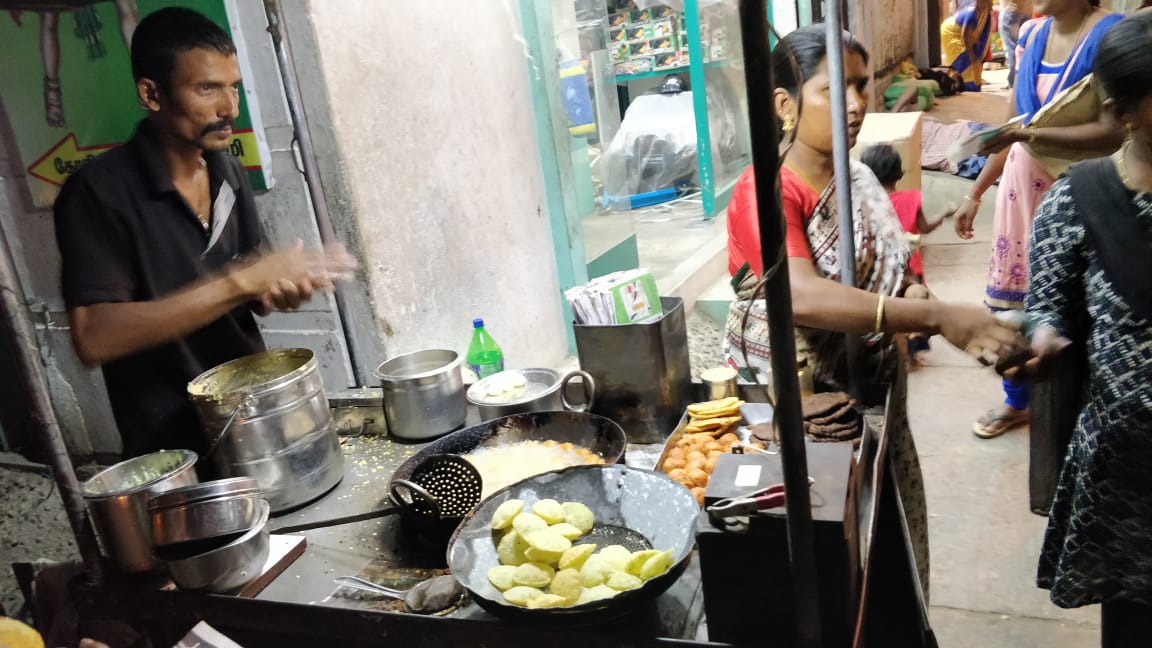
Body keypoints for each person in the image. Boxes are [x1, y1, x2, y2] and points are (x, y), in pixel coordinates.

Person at [724, 24, 1020, 600]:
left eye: (862, 86)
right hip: (806, 404)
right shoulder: (765, 191)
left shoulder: (855, 175)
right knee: (829, 559)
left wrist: (934, 310)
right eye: (834, 90)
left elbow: (894, 272)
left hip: (879, 387)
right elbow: (800, 295)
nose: (857, 104)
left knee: (888, 535)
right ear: (784, 104)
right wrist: (936, 319)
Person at [53, 7, 355, 458]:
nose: (229, 108)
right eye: (207, 88)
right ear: (152, 93)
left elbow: (255, 290)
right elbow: (95, 336)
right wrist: (239, 282)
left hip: (251, 417)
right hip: (174, 444)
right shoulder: (98, 193)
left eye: (232, 87)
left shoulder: (226, 170)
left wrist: (282, 288)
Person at [1018, 13, 1152, 645]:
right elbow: (1047, 304)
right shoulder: (1079, 198)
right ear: (1124, 110)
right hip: (1124, 470)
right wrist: (1041, 337)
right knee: (1131, 614)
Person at [953, 0, 1123, 439]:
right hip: (1019, 192)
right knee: (1014, 305)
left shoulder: (1109, 36)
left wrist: (1024, 134)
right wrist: (974, 192)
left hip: (1077, 193)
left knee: (1075, 304)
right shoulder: (1030, 35)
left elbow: (1112, 129)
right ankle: (1018, 401)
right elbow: (1012, 128)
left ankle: (1078, 406)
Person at [860, 143, 954, 364]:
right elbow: (925, 228)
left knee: (888, 309)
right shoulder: (913, 198)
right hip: (912, 268)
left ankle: (897, 353)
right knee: (916, 307)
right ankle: (912, 351)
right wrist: (944, 214)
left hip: (880, 268)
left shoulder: (865, 204)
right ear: (898, 173)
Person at [941, 0, 994, 92]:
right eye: (988, 2)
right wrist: (972, 56)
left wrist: (975, 55)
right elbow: (965, 36)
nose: (992, 4)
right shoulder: (971, 14)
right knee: (963, 56)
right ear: (979, 2)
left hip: (961, 34)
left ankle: (970, 82)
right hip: (950, 33)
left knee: (971, 57)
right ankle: (960, 82)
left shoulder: (984, 14)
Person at [1000, 0, 1035, 88]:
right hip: (1028, 10)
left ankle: (1014, 81)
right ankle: (1023, 80)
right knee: (1024, 47)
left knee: (1012, 48)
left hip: (1011, 10)